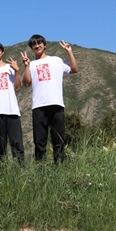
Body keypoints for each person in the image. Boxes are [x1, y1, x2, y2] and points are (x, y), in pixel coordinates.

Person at [21, 34, 78, 164]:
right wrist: (26, 66)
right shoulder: (31, 64)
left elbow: (74, 69)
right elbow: (26, 83)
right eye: (34, 45)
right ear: (31, 48)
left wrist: (69, 52)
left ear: (44, 45)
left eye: (39, 43)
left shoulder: (56, 60)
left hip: (56, 104)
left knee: (58, 139)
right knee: (39, 141)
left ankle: (59, 167)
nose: (37, 46)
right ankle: (41, 168)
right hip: (39, 106)